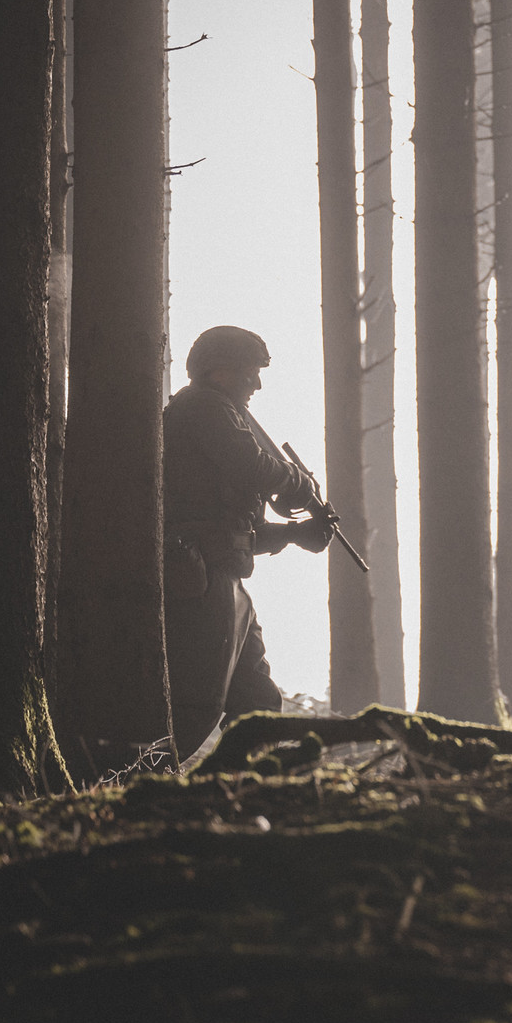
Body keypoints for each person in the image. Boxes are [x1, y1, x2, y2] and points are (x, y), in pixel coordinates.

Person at [162, 326, 332, 760]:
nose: (256, 384)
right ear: (219, 371)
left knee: (257, 704)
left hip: (226, 581)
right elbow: (250, 464)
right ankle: (142, 785)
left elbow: (244, 532)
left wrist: (295, 534)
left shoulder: (226, 416)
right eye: (249, 372)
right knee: (197, 705)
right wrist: (297, 481)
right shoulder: (202, 407)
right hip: (198, 580)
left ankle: (228, 790)